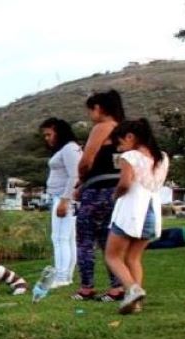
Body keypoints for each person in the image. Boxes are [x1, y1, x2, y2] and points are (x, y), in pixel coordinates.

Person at [104, 119, 169, 315]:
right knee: (134, 258)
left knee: (112, 256)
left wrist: (114, 196)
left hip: (131, 211)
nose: (119, 147)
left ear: (130, 137)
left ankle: (132, 289)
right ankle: (135, 303)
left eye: (120, 142)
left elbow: (125, 184)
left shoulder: (130, 156)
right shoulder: (162, 157)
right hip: (151, 211)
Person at [73, 90, 126, 302]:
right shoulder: (124, 130)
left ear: (99, 108)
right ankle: (117, 286)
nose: (90, 115)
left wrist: (81, 179)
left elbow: (87, 160)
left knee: (85, 239)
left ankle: (87, 286)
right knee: (109, 240)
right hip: (117, 191)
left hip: (97, 191)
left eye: (91, 110)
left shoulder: (102, 127)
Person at [40, 118, 81, 288]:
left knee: (59, 238)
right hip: (63, 197)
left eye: (49, 134)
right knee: (68, 238)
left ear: (59, 132)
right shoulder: (68, 149)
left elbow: (75, 175)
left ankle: (62, 276)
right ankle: (67, 275)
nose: (47, 138)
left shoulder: (69, 149)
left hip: (63, 197)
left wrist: (65, 200)